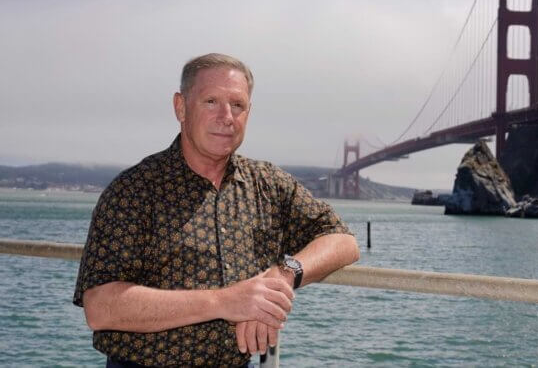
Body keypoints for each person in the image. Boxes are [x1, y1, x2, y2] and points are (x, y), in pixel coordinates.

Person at [73, 53, 360, 367]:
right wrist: (225, 302)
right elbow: (100, 308)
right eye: (211, 101)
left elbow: (343, 240)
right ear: (180, 107)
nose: (227, 117)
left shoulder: (266, 184)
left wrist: (281, 278)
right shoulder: (135, 190)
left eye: (237, 105)